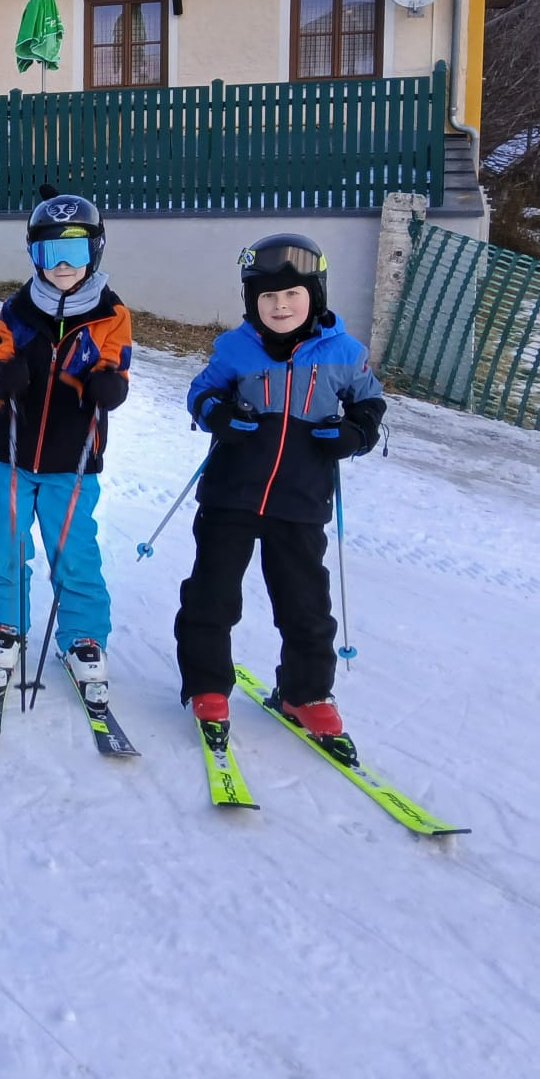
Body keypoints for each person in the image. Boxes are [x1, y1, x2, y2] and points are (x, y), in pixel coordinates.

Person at [177, 233, 386, 744]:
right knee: (211, 595)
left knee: (304, 603)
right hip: (230, 494)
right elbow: (201, 393)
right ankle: (207, 684)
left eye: (293, 293)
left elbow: (370, 403)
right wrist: (218, 414)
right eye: (267, 296)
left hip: (301, 499)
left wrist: (356, 433)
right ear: (252, 300)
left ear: (316, 294)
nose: (280, 305)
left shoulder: (344, 353)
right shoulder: (236, 348)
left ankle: (306, 692)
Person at [0, 191, 133, 702]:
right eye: (50, 252)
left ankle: (83, 635)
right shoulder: (16, 311)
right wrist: (2, 378)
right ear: (34, 254)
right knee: (3, 545)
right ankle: (4, 625)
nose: (63, 265)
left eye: (75, 252)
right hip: (10, 454)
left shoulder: (111, 315)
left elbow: (118, 368)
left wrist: (110, 387)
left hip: (73, 459)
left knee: (74, 549)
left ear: (95, 251)